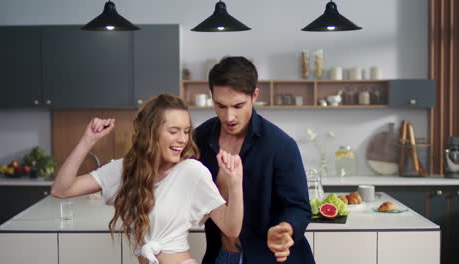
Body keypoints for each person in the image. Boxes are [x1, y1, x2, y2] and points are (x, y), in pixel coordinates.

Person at [51, 93, 244, 264]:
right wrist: (87, 141)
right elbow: (61, 190)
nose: (183, 139)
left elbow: (231, 229)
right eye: (173, 131)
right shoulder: (126, 169)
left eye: (186, 131)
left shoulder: (192, 172)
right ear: (151, 133)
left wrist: (235, 184)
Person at [194, 57, 315, 264]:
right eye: (220, 106)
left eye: (238, 105)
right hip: (222, 255)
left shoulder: (280, 145)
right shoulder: (200, 139)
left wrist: (287, 227)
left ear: (254, 96)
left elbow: (299, 207)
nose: (229, 116)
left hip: (270, 258)